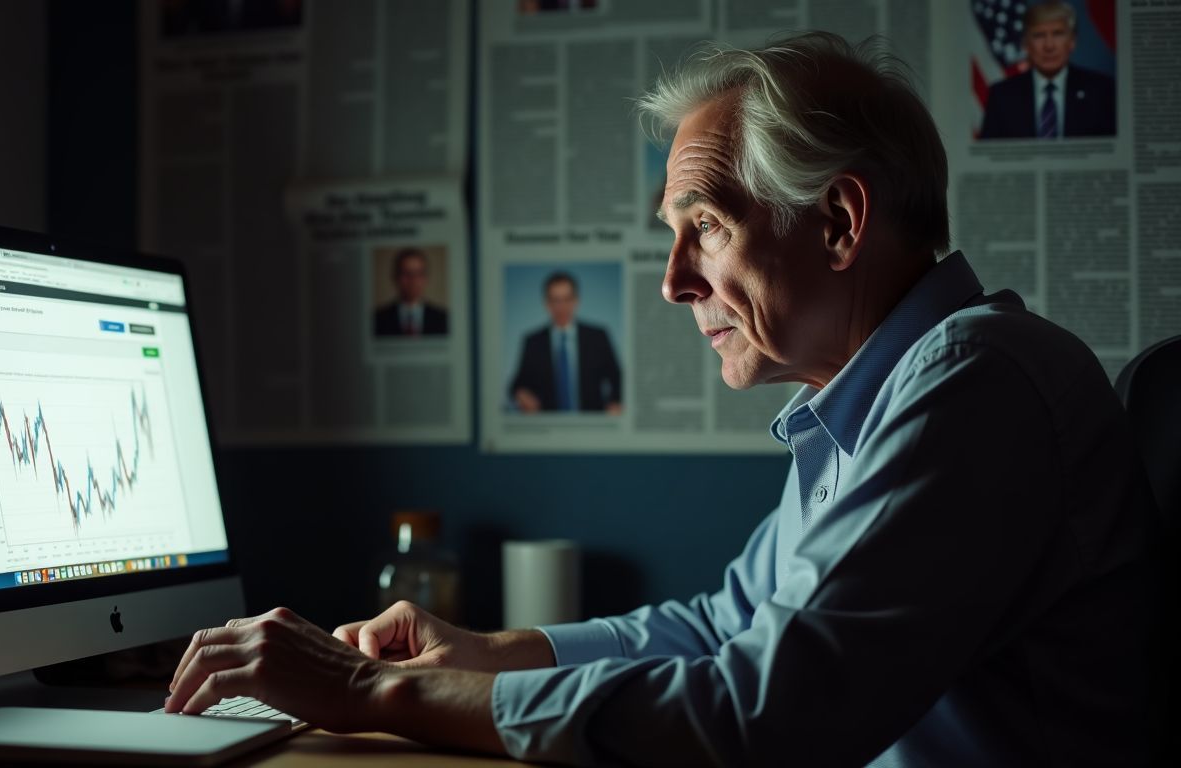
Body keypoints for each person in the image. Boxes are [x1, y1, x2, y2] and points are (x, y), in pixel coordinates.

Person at [164, 33, 1157, 766]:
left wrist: (367, 688)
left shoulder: (975, 385)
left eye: (707, 228)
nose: (674, 281)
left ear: (841, 224)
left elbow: (754, 717)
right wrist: (482, 652)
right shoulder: (876, 399)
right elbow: (723, 626)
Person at [979, 0, 1115, 139]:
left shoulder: (1101, 91)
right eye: (1039, 35)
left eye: (1058, 34)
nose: (1049, 46)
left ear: (1072, 41)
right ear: (1026, 44)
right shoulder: (1002, 96)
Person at [508, 271, 622, 414]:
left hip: (592, 424)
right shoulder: (533, 342)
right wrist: (522, 394)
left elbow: (617, 376)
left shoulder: (597, 337)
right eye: (555, 300)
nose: (561, 307)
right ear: (547, 303)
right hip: (549, 426)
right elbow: (517, 384)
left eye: (567, 299)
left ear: (576, 301)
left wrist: (615, 401)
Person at [373, 247, 448, 337]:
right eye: (406, 273)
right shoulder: (378, 319)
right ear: (395, 277)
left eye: (418, 273)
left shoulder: (442, 318)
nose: (413, 280)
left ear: (425, 278)